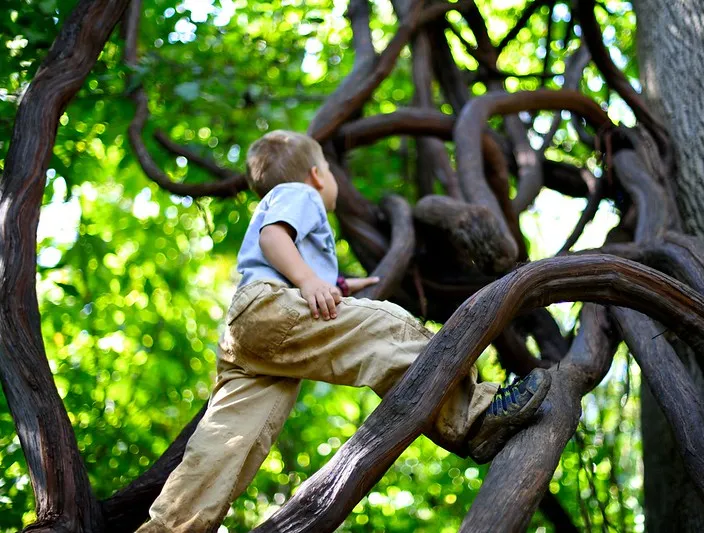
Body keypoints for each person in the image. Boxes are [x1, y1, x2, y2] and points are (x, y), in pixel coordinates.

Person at [138, 130, 551, 532]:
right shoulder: (301, 194)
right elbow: (273, 238)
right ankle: (477, 413)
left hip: (248, 338)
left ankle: (171, 526)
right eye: (332, 172)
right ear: (318, 174)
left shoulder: (288, 206)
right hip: (271, 307)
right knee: (387, 329)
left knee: (228, 445)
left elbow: (288, 258)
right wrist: (308, 282)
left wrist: (335, 285)